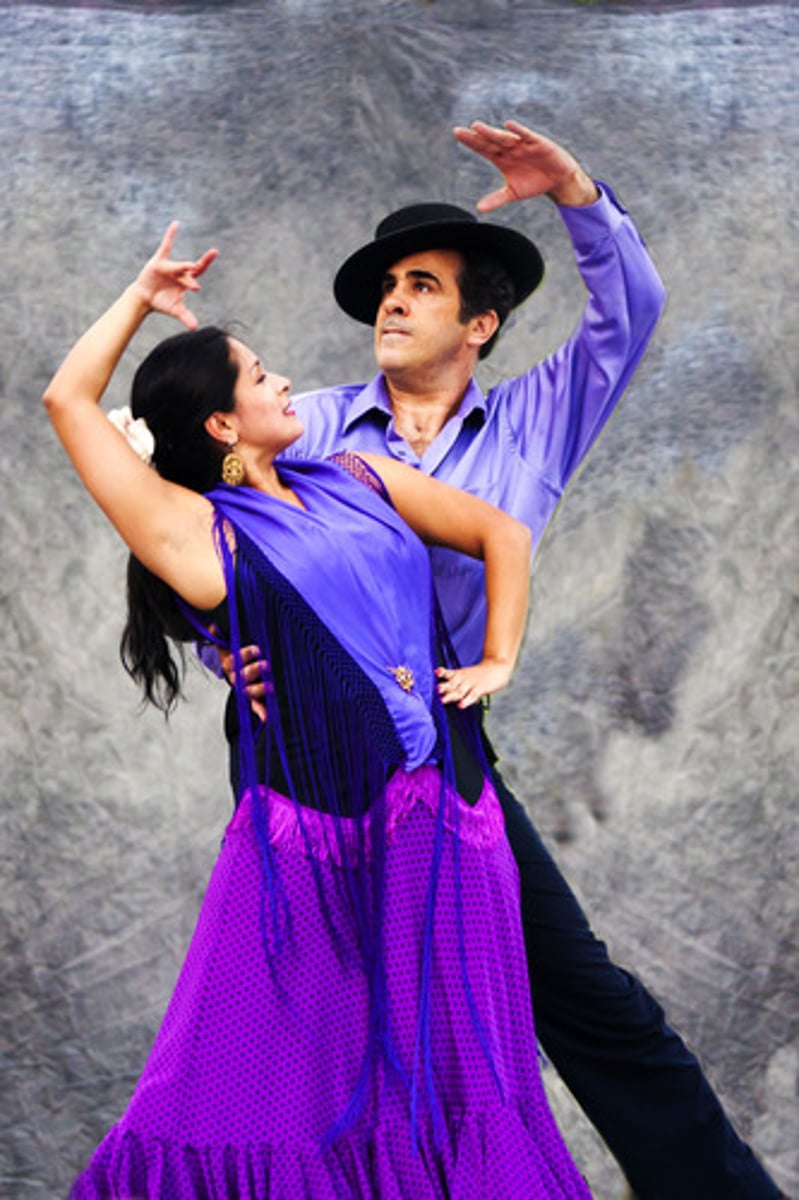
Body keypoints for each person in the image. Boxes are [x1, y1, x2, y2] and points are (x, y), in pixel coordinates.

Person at [223, 118, 782, 1198]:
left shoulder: (536, 420)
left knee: (583, 998)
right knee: (324, 1028)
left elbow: (635, 314)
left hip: (444, 752)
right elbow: (212, 533)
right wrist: (230, 659)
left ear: (479, 322)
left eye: (421, 285)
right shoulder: (316, 425)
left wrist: (573, 190)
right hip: (311, 757)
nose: (391, 300)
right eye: (387, 284)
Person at [45, 224, 595, 1198]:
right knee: (280, 1079)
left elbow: (498, 531)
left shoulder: (356, 475)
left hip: (444, 814)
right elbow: (68, 401)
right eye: (260, 378)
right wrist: (138, 295)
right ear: (221, 424)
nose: (285, 384)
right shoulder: (192, 534)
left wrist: (497, 659)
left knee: (469, 1074)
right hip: (311, 836)